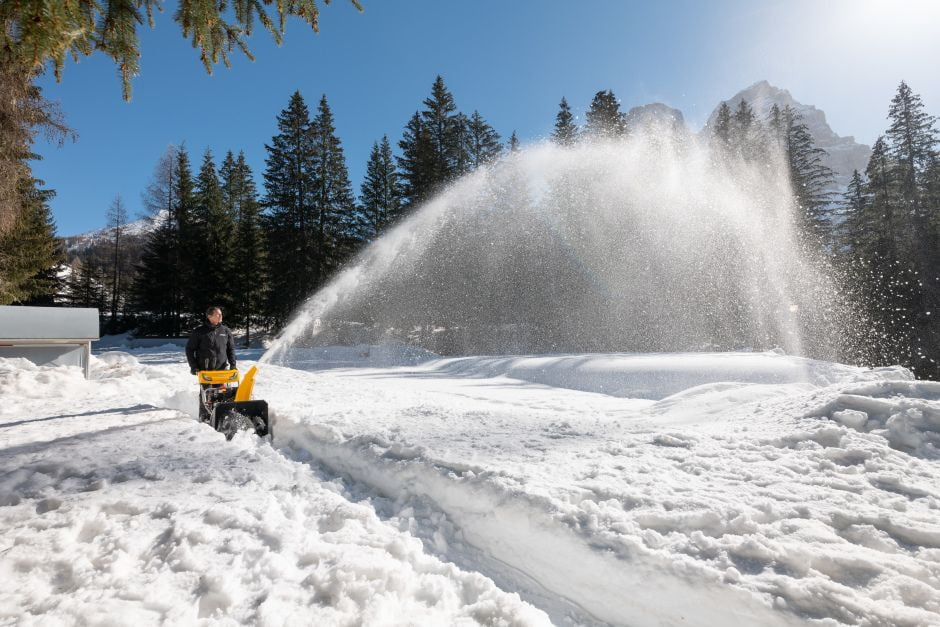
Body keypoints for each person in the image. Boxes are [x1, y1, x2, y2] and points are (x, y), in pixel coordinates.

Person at [186, 306, 236, 375]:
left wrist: (233, 365)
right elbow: (189, 349)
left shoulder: (226, 331)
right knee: (209, 386)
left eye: (221, 314)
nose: (221, 316)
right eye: (218, 314)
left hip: (222, 370)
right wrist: (194, 366)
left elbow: (231, 349)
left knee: (221, 386)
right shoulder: (199, 331)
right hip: (205, 371)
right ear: (209, 316)